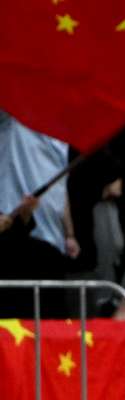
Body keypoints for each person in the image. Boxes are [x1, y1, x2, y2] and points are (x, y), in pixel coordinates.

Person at [0, 111, 79, 318]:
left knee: (51, 321)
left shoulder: (62, 134)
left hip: (52, 242)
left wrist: (69, 233)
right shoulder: (12, 119)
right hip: (15, 239)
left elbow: (59, 188)